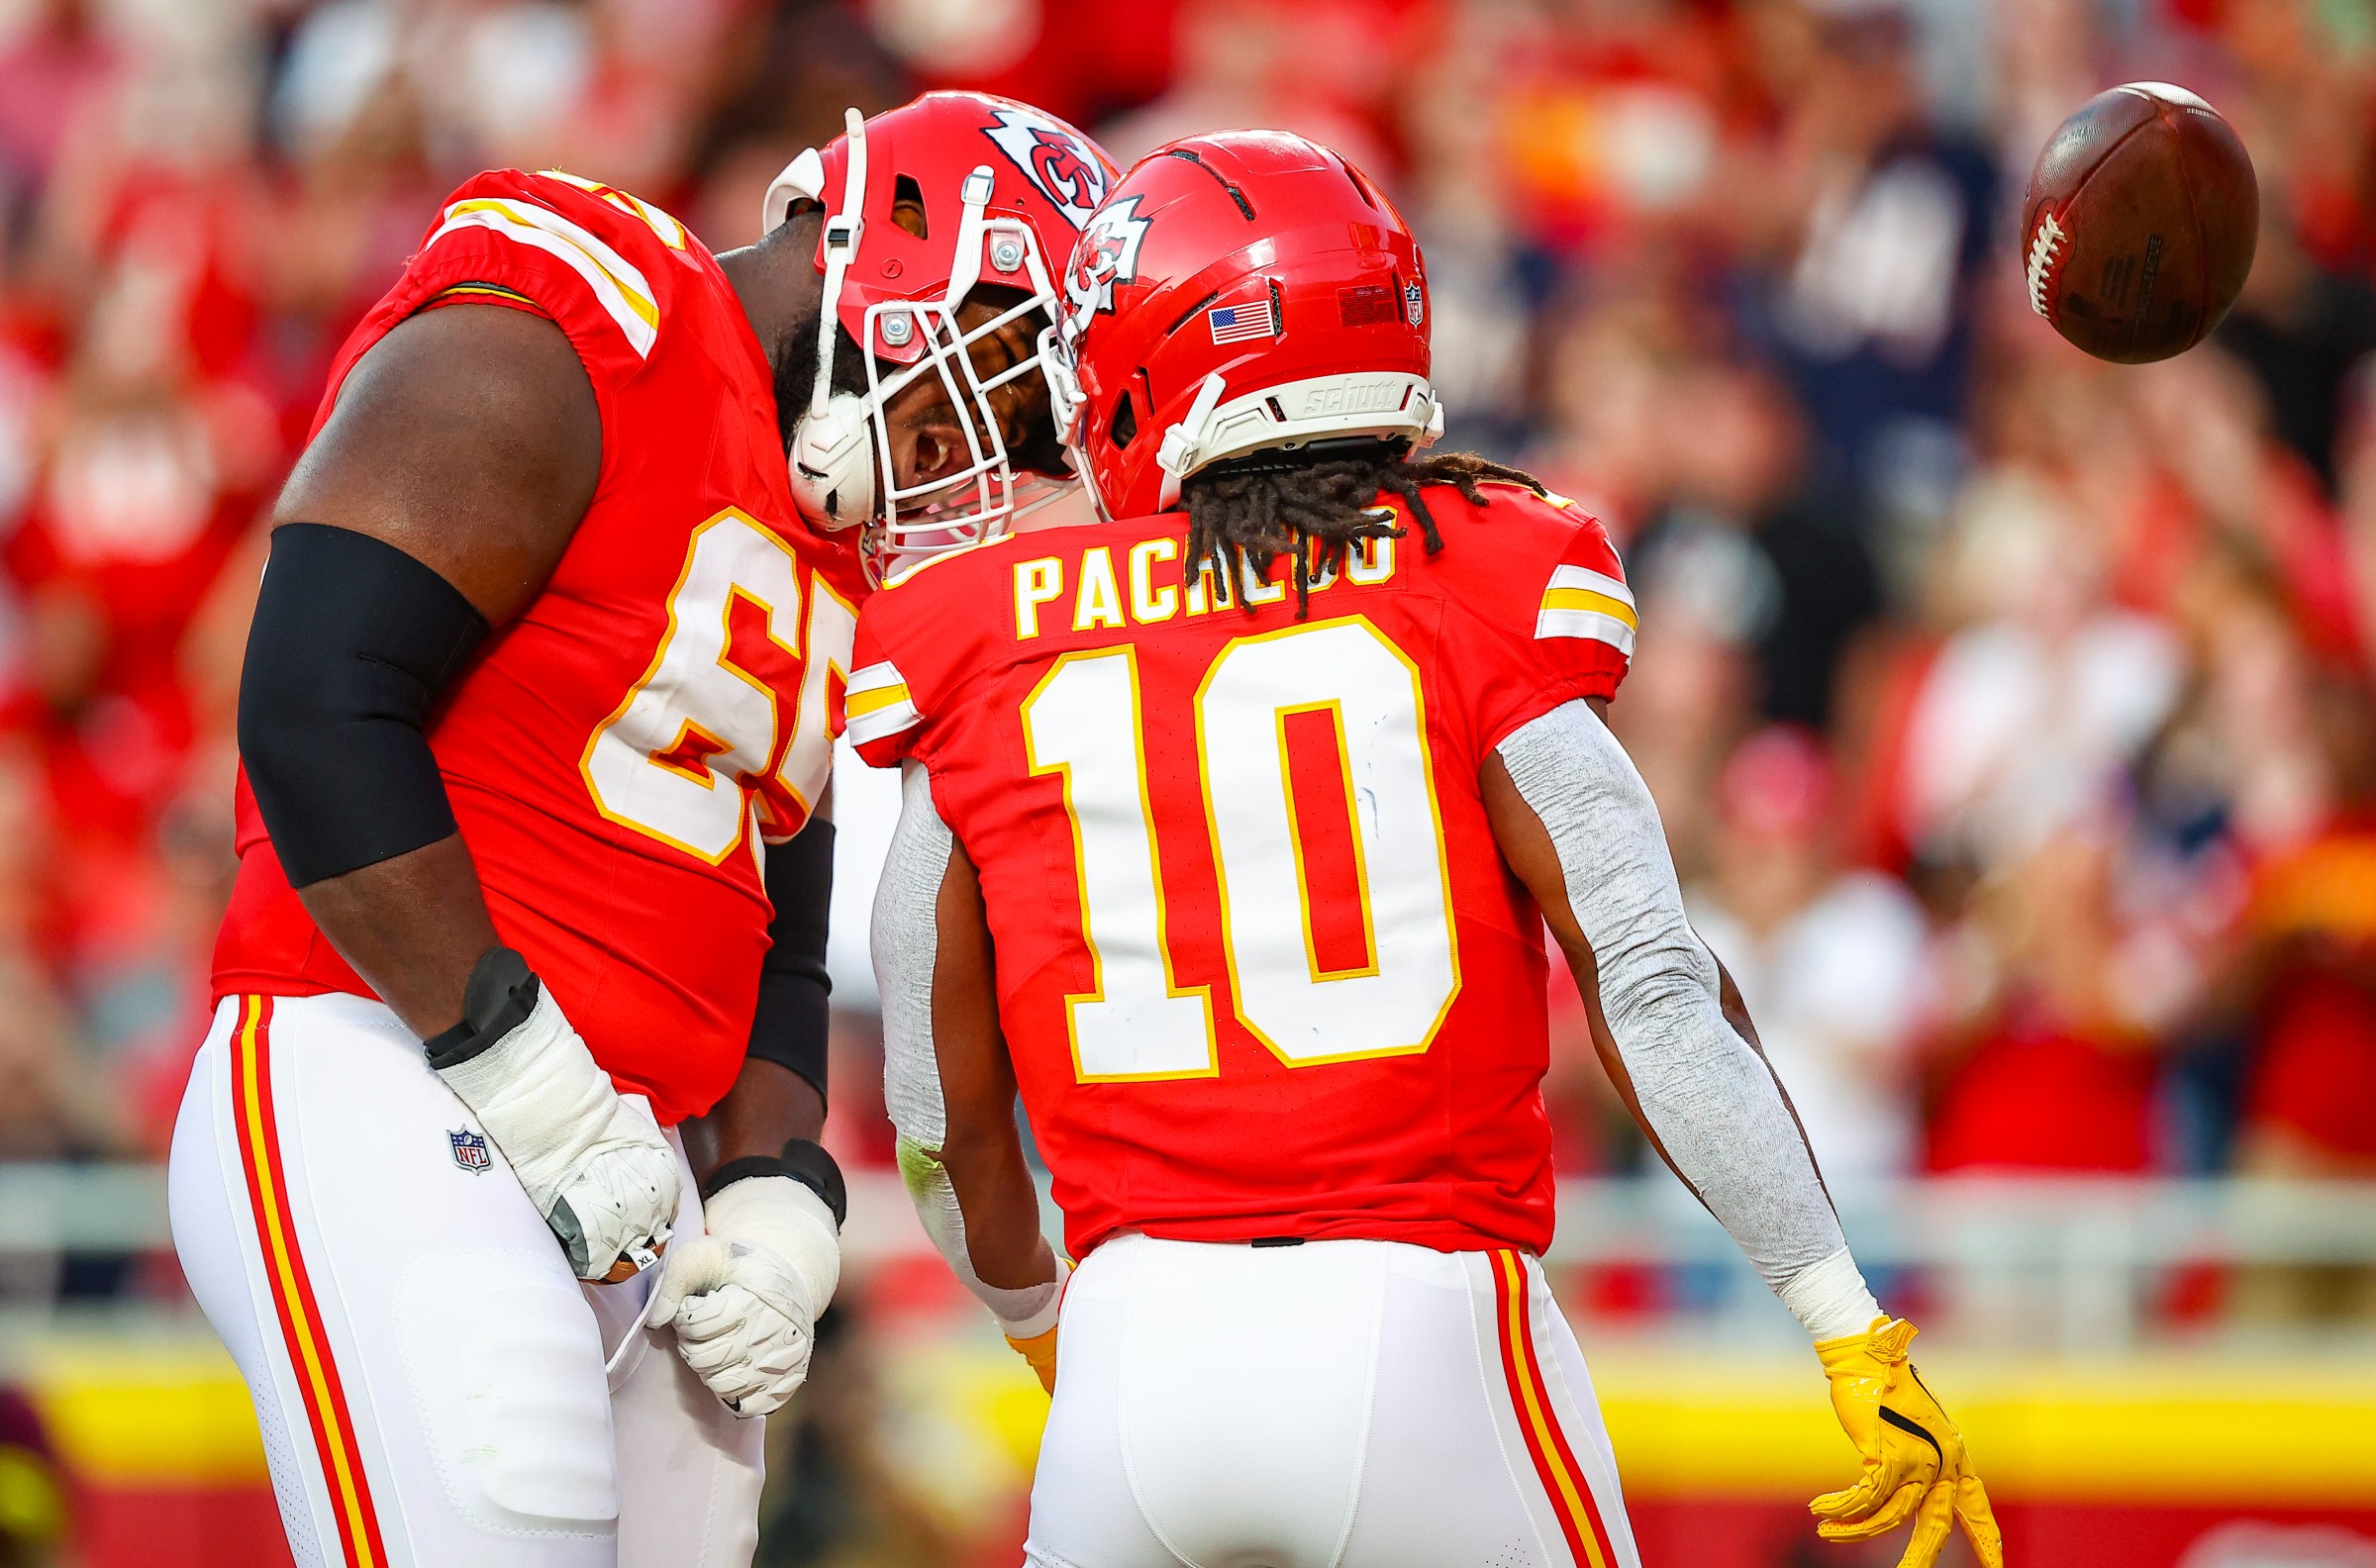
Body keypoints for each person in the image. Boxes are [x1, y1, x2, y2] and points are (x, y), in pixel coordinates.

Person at [855, 131, 2001, 1568]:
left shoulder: (978, 628)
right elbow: (1649, 982)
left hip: (1132, 1353)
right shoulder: (1479, 569)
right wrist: (1847, 1322)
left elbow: (930, 1106)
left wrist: (1038, 1328)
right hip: (1422, 1332)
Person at [166, 90, 1114, 1568]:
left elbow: (771, 941)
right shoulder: (582, 323)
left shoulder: (826, 543)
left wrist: (776, 1196)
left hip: (628, 1153)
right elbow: (314, 699)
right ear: (907, 265)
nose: (1004, 447)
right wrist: (534, 1089)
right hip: (392, 1071)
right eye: (1011, 382)